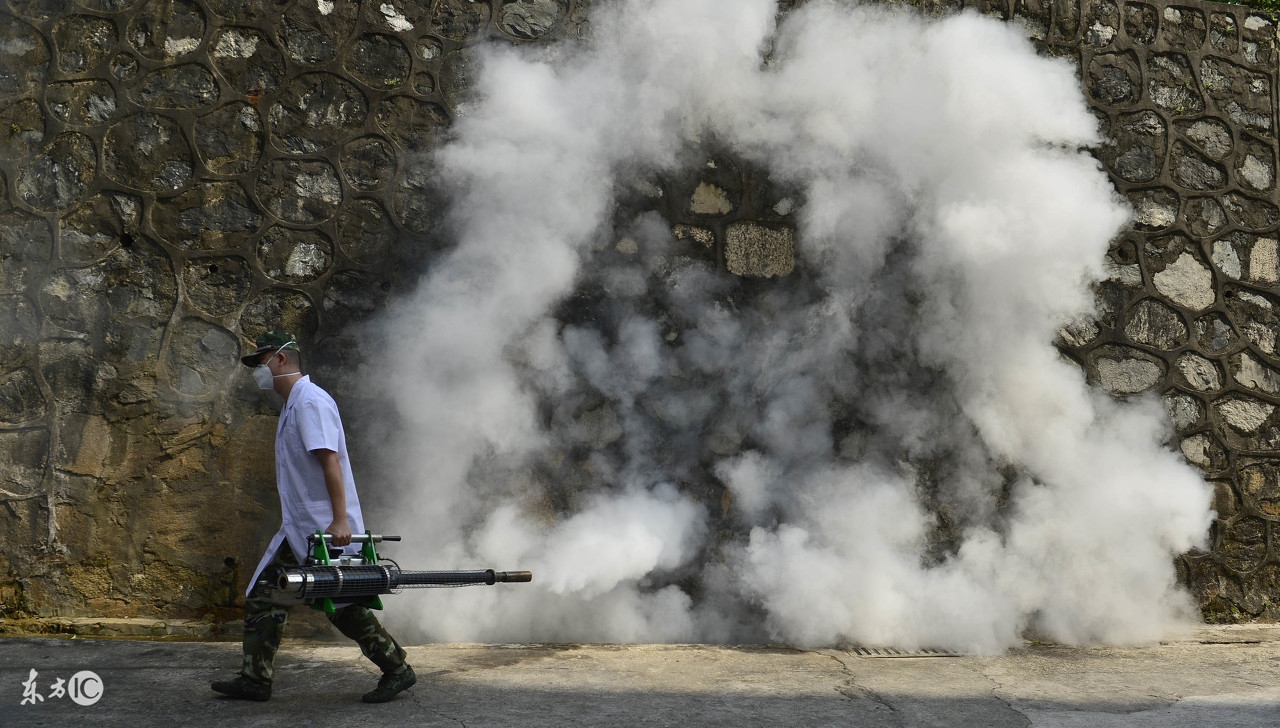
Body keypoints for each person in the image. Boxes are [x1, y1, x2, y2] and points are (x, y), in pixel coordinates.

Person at [211, 331, 416, 703]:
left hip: (323, 528)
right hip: (302, 528)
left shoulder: (309, 402)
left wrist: (340, 521)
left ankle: (397, 669)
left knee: (342, 606)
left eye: (261, 362)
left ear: (281, 359)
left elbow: (330, 461)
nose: (258, 371)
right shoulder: (293, 404)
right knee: (267, 593)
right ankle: (255, 678)